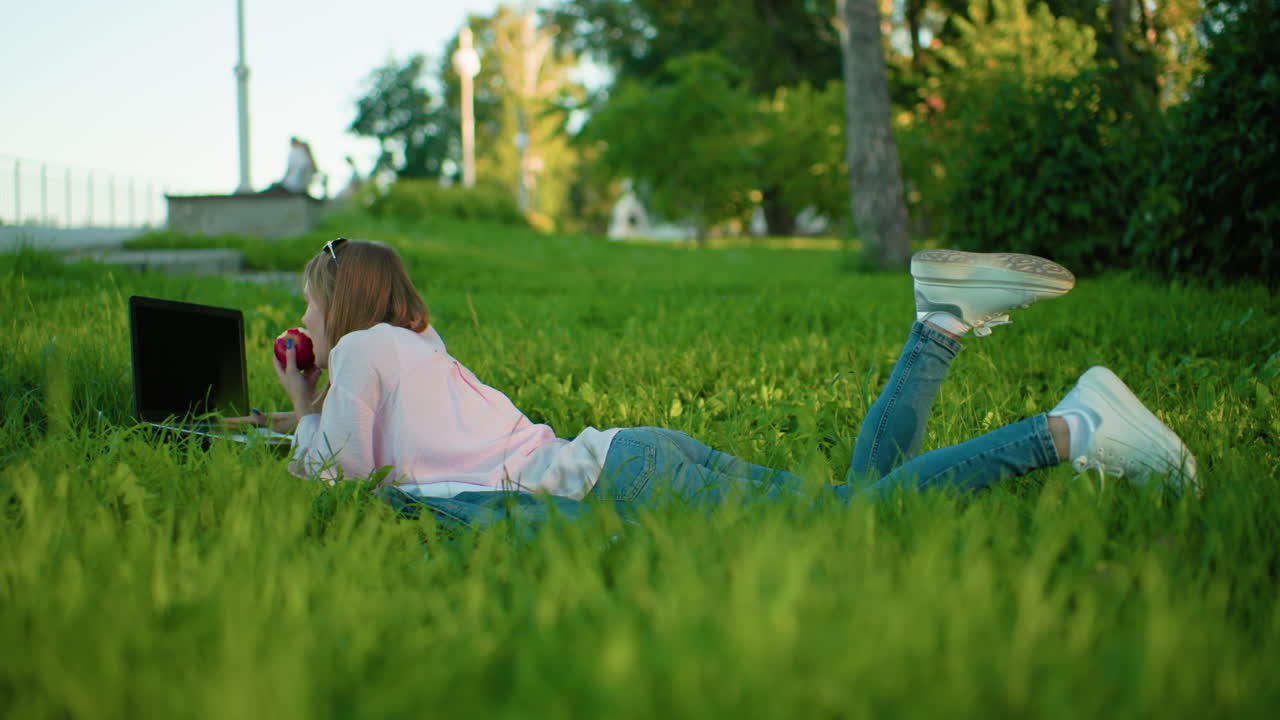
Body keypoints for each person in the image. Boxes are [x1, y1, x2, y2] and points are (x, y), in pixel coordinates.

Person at [241, 239, 1197, 532]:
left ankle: (1070, 429)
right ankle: (939, 325)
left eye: (310, 307)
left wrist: (299, 397)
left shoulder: (361, 354)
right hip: (629, 454)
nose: (309, 325)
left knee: (850, 529)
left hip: (621, 484)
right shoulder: (423, 349)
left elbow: (328, 484)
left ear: (337, 306)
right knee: (852, 509)